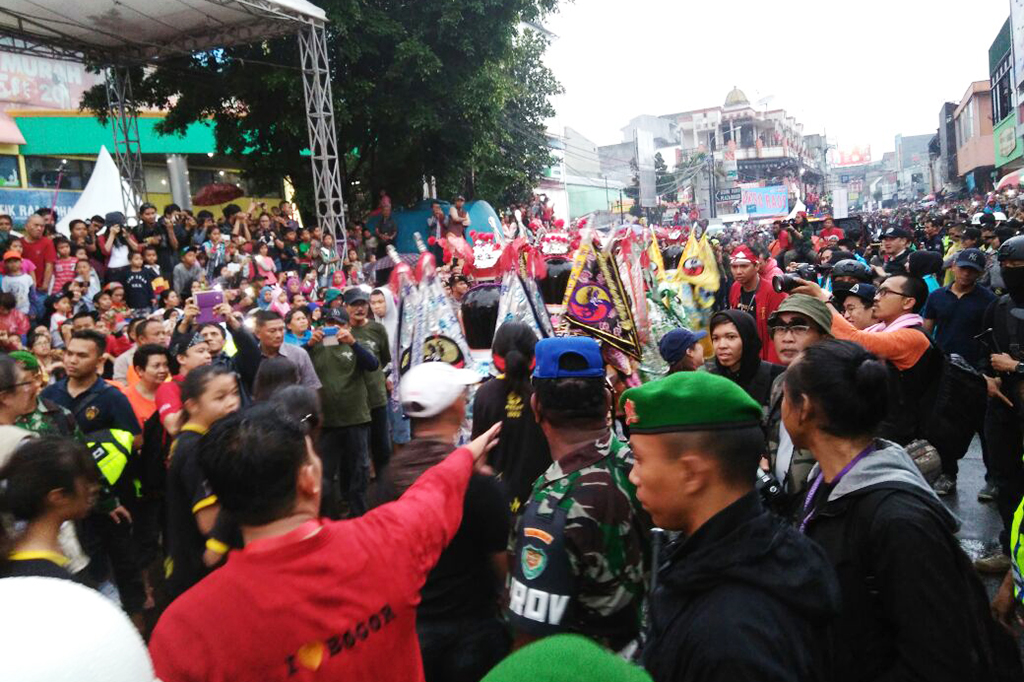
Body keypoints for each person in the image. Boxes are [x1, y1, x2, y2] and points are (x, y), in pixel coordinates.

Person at [148, 402, 502, 682]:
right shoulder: (389, 541)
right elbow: (433, 492)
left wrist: (464, 456)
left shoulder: (184, 630)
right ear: (308, 480)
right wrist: (466, 455)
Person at [785, 340, 1022, 682]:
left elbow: (939, 659)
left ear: (803, 408)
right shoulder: (824, 481)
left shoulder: (900, 522)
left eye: (785, 395)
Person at [623, 371, 840, 682]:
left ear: (691, 473)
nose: (633, 476)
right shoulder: (778, 551)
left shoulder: (730, 637)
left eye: (640, 459)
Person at [506, 337, 646, 651]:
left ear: (536, 407)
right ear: (608, 400)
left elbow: (530, 643)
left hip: (583, 666)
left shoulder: (549, 509)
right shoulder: (640, 467)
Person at [374, 361, 510, 682]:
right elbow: (501, 564)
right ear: (456, 408)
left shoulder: (387, 481)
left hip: (411, 636)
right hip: (474, 634)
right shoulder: (480, 485)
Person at [40, 329, 144, 625]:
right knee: (84, 562)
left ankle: (137, 623)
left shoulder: (112, 397)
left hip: (110, 495)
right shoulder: (50, 395)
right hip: (67, 500)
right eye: (69, 353)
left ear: (99, 362)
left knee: (124, 561)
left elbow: (136, 440)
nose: (72, 360)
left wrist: (99, 450)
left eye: (81, 355)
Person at [164, 364, 241, 601]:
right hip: (199, 570)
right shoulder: (196, 449)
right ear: (192, 405)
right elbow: (210, 524)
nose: (232, 403)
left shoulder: (197, 440)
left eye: (234, 393)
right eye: (220, 397)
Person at [975, 235, 1024, 574]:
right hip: (1004, 408)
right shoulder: (998, 306)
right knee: (1006, 482)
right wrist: (987, 379)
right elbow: (983, 353)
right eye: (1006, 266)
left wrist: (1017, 367)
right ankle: (1010, 549)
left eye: (1017, 266)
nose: (1010, 271)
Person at [762, 295, 833, 516]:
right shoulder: (779, 383)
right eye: (780, 328)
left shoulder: (835, 390)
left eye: (799, 328)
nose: (787, 338)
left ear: (824, 337)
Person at [306, 307, 379, 518]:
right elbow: (297, 364)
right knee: (325, 472)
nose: (334, 328)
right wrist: (309, 345)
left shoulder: (355, 343)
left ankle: (359, 512)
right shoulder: (316, 346)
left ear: (347, 326)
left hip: (355, 417)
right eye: (330, 324)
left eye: (339, 324)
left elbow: (372, 365)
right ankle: (328, 514)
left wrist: (353, 343)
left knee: (359, 469)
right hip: (327, 420)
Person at [471, 321, 551, 513]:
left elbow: (478, 451)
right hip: (541, 502)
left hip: (496, 501)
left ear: (496, 357)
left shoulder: (484, 394)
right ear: (534, 358)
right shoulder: (545, 394)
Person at [0, 437, 99, 579]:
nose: (93, 489)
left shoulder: (15, 560)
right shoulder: (50, 578)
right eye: (86, 483)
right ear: (57, 497)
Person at [922, 247, 996, 367]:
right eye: (962, 268)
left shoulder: (989, 300)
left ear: (981, 273)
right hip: (941, 360)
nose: (966, 274)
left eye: (972, 270)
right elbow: (927, 332)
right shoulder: (937, 296)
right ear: (953, 267)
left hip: (973, 364)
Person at [346, 287, 392, 476]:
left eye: (363, 304)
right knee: (356, 451)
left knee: (382, 447)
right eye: (354, 304)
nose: (360, 308)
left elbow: (385, 359)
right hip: (352, 402)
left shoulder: (377, 329)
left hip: (376, 396)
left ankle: (383, 484)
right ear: (346, 307)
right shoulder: (340, 331)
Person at [707, 309, 783, 407]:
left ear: (747, 339)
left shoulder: (777, 378)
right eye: (716, 338)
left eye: (731, 337)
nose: (721, 345)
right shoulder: (709, 379)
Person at [727, 245, 786, 363]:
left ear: (757, 266)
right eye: (734, 267)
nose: (738, 271)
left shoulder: (773, 292)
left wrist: (770, 366)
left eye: (744, 266)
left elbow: (778, 333)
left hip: (763, 357)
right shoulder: (735, 287)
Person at [252, 309, 321, 390]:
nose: (278, 335)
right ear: (258, 333)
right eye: (272, 331)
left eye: (281, 330)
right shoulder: (251, 357)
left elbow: (312, 387)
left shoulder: (299, 354)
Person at [112, 317, 171, 385]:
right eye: (156, 334)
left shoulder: (170, 356)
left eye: (163, 333)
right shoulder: (123, 360)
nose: (162, 337)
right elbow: (120, 385)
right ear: (142, 339)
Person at [19, 214, 56, 292]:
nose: (39, 228)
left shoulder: (47, 243)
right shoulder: (19, 243)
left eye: (42, 226)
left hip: (39, 288)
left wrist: (45, 284)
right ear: (26, 226)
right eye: (36, 225)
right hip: (20, 287)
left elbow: (49, 264)